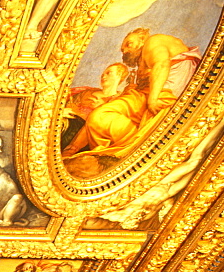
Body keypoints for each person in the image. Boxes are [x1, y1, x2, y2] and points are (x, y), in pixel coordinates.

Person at [63, 28, 202, 175]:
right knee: (100, 116)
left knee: (103, 114)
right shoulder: (142, 62)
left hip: (161, 97)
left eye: (129, 44)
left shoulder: (153, 42)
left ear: (142, 38)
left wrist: (152, 100)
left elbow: (162, 65)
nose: (125, 51)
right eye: (123, 50)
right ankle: (73, 149)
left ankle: (123, 149)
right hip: (149, 96)